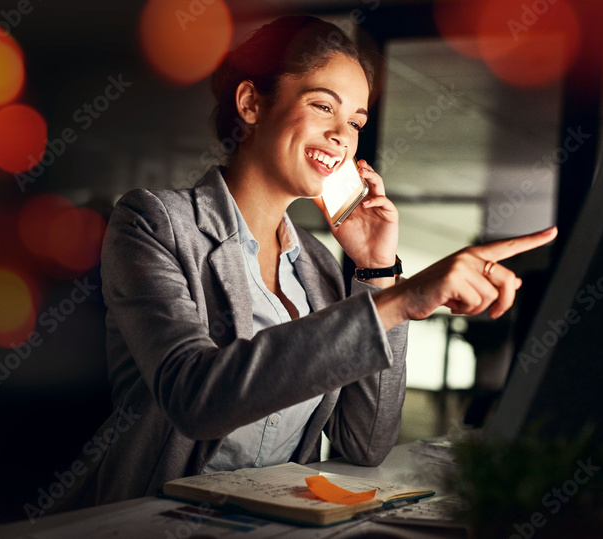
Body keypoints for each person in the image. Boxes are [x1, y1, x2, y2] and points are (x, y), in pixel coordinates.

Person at [54, 15, 557, 511]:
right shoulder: (154, 222)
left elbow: (365, 443)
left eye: (356, 122)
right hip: (150, 522)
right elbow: (194, 398)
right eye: (323, 106)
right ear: (251, 103)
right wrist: (403, 301)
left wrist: (380, 273)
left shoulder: (316, 266)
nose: (343, 136)